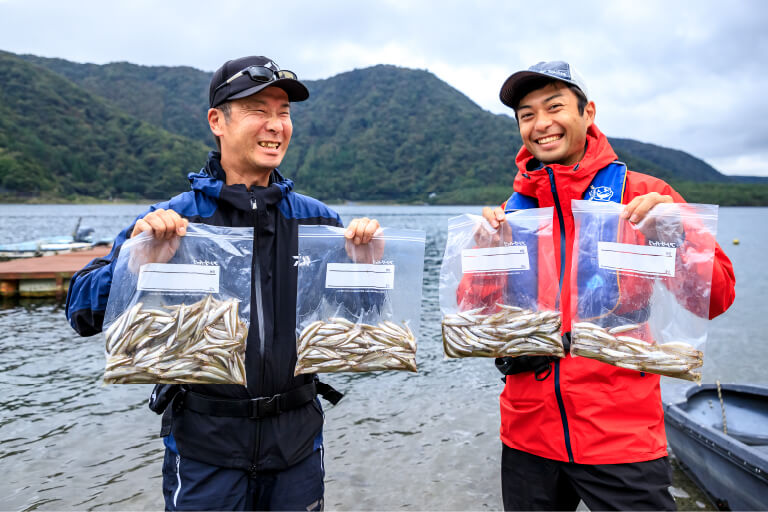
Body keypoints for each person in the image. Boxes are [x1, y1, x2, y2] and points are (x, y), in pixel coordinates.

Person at [65, 55, 381, 511]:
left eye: (284, 112)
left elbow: (364, 316)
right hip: (205, 452)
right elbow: (81, 311)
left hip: (296, 449)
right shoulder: (176, 219)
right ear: (217, 121)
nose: (276, 125)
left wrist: (367, 268)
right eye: (258, 110)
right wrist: (135, 263)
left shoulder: (317, 221)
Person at [475, 61, 736, 510]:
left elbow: (716, 297)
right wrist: (484, 257)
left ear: (588, 113)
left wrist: (674, 232)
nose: (541, 123)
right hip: (526, 437)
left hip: (621, 438)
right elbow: (476, 317)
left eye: (554, 107)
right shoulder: (511, 214)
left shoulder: (645, 196)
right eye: (526, 115)